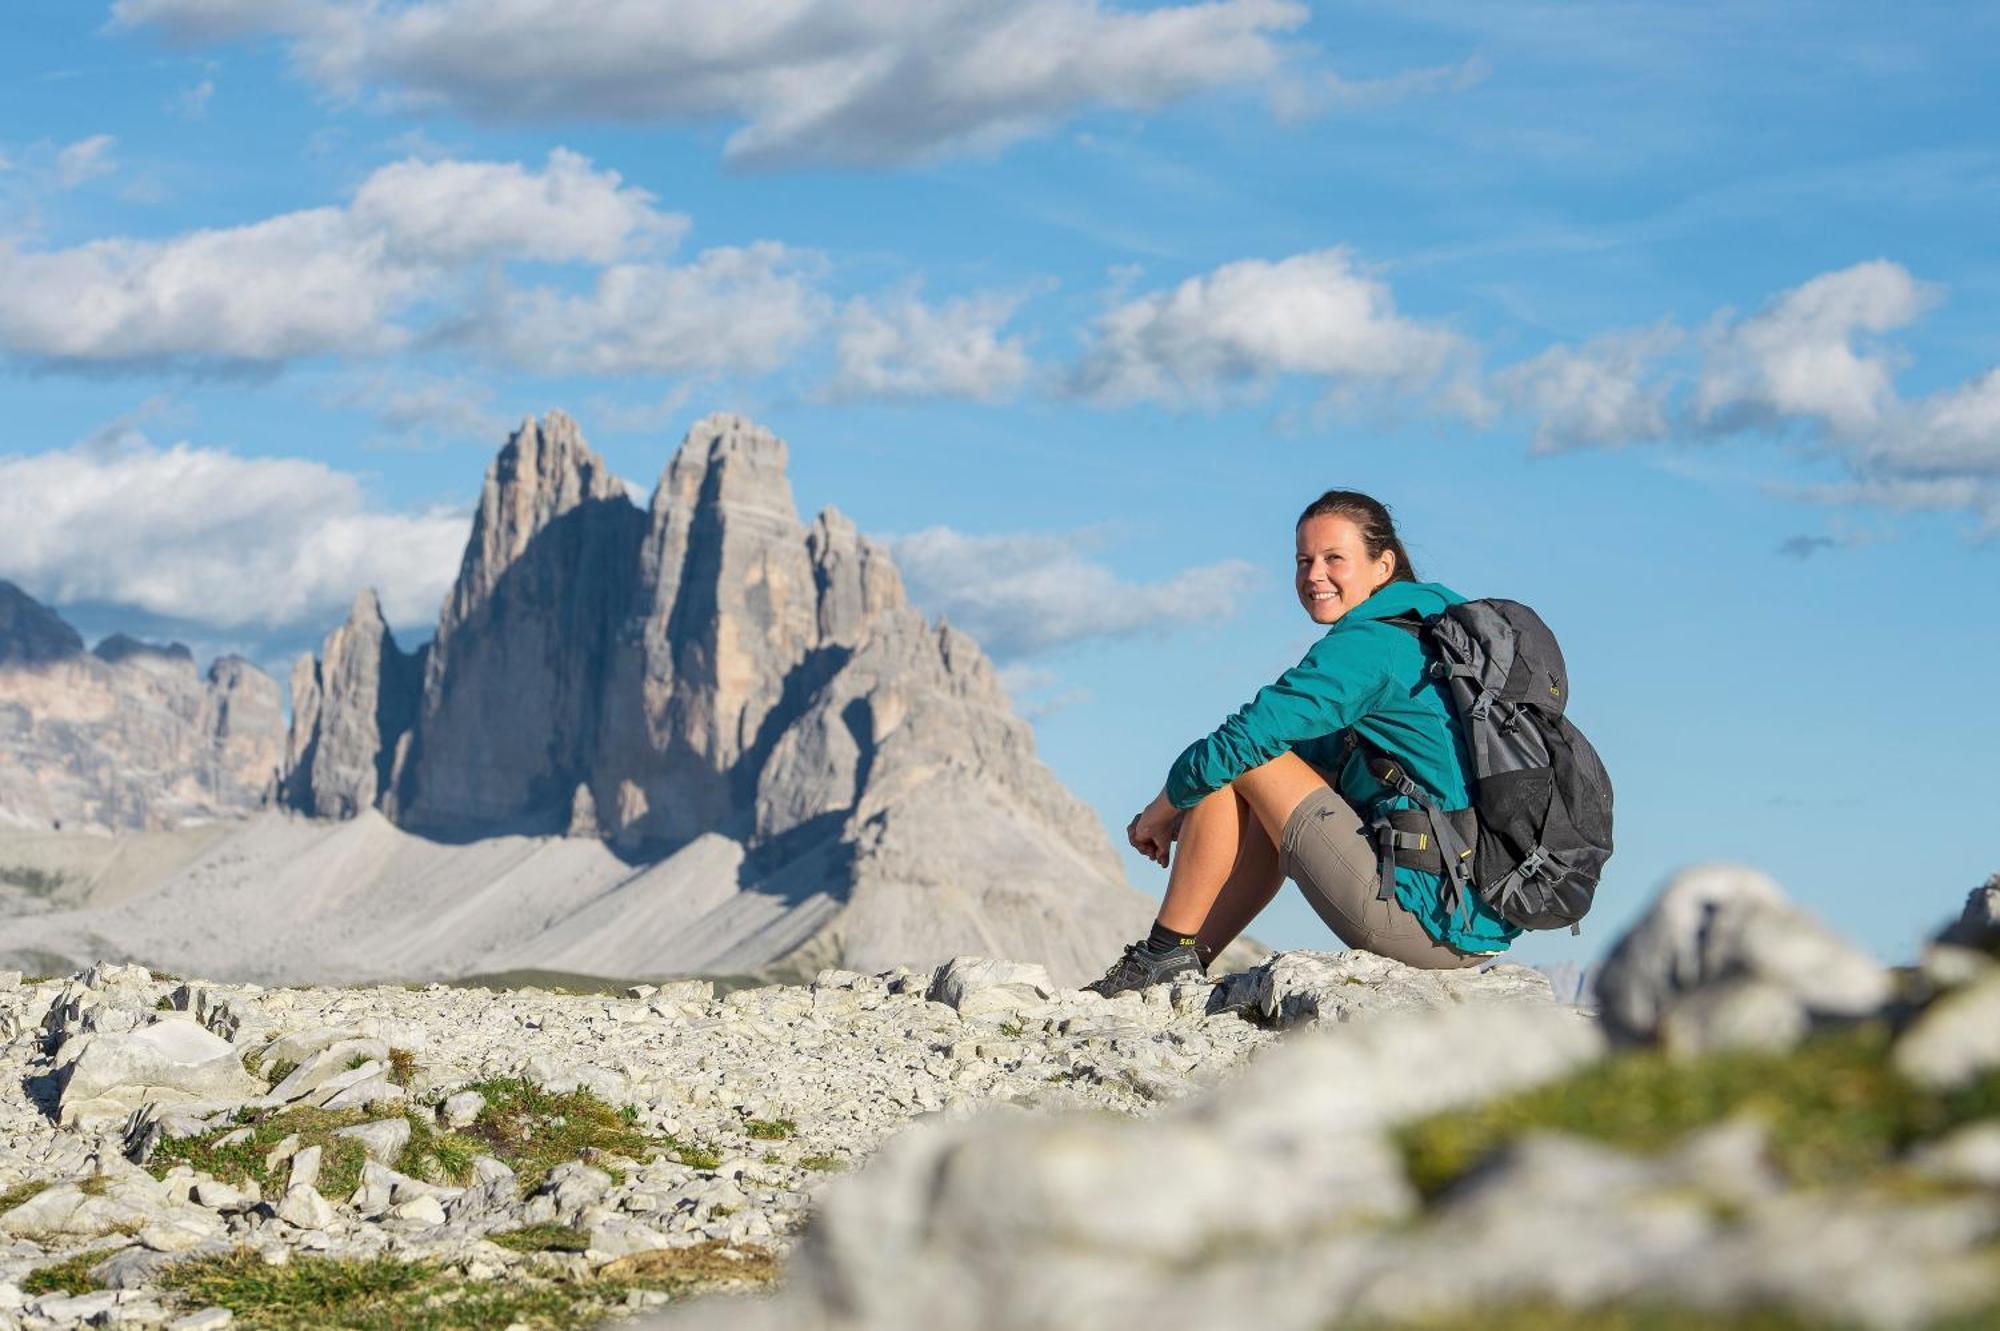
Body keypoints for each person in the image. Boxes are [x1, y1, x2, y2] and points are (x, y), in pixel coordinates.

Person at [1086, 489, 1520, 997]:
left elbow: (1245, 742)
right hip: (1468, 917)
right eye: (1303, 560)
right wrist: (1192, 812)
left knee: (1242, 756)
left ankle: (1163, 957)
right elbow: (1306, 767)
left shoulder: (1369, 647)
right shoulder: (1430, 633)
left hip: (1424, 920)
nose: (1314, 575)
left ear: (1384, 566)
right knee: (1239, 769)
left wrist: (1160, 811)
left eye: (1334, 558)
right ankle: (1180, 963)